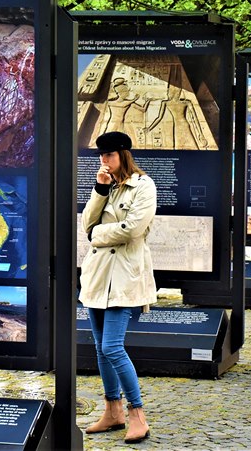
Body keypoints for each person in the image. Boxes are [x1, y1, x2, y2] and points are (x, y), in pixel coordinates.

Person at [79, 131, 157, 444]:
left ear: (123, 154)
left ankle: (137, 414)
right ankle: (113, 410)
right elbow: (86, 224)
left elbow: (133, 229)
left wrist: (99, 234)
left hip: (125, 277)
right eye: (101, 156)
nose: (104, 161)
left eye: (109, 156)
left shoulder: (144, 186)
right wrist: (99, 189)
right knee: (100, 348)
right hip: (98, 276)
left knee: (112, 346)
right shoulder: (105, 186)